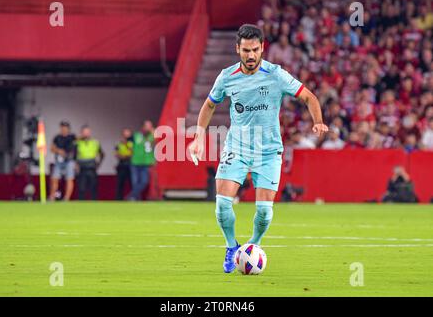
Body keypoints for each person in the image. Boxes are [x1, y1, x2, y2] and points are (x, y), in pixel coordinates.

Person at [189, 24, 328, 273]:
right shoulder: (226, 77)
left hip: (269, 150)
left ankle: (252, 248)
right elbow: (209, 105)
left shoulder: (276, 74)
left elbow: (308, 96)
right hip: (237, 147)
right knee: (222, 204)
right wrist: (198, 137)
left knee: (264, 212)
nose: (250, 55)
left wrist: (318, 121)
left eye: (255, 50)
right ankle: (232, 247)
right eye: (245, 50)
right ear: (237, 49)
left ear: (262, 48)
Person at [49, 121, 76, 201]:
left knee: (69, 179)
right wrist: (59, 151)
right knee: (54, 178)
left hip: (69, 161)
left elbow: (76, 147)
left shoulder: (72, 137)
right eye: (62, 128)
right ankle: (52, 196)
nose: (63, 129)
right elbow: (52, 148)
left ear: (68, 129)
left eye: (65, 128)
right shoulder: (57, 137)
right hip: (59, 161)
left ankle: (66, 198)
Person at [75, 125, 104, 200]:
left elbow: (102, 154)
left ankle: (94, 205)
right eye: (84, 132)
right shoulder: (77, 143)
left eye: (87, 132)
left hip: (92, 167)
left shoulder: (95, 142)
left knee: (93, 188)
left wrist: (98, 164)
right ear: (81, 133)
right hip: (82, 168)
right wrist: (76, 164)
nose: (86, 134)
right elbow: (73, 155)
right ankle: (81, 206)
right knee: (81, 188)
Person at [130, 120, 155, 200]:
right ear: (143, 127)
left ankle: (132, 196)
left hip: (145, 163)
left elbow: (157, 140)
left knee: (144, 182)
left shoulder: (151, 136)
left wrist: (152, 131)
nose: (148, 128)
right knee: (135, 182)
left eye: (150, 126)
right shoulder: (136, 135)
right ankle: (135, 199)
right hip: (135, 162)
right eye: (147, 126)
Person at [115, 128, 133, 200]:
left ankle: (133, 197)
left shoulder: (132, 144)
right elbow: (117, 154)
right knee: (120, 183)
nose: (126, 135)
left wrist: (127, 154)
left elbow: (133, 153)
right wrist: (124, 156)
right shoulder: (119, 144)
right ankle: (119, 199)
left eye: (127, 133)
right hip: (122, 165)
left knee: (132, 183)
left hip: (131, 165)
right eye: (125, 133)